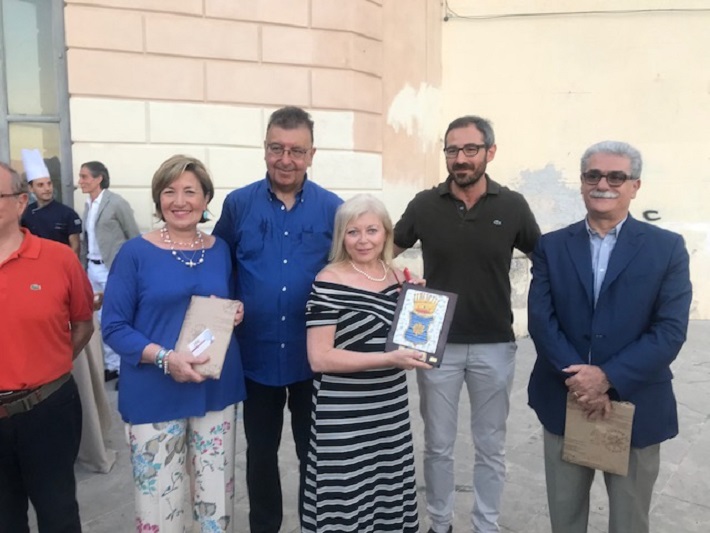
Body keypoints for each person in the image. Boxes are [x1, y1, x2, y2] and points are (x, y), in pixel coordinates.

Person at [527, 141, 692, 533]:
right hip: (564, 400)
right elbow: (541, 320)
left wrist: (607, 378)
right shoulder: (551, 246)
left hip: (636, 404)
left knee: (629, 522)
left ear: (635, 186)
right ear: (582, 182)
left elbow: (670, 330)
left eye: (616, 177)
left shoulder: (667, 248)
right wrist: (581, 381)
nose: (603, 184)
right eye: (593, 175)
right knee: (565, 519)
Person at [393, 115, 541, 533]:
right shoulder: (424, 205)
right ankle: (440, 523)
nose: (460, 158)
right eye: (452, 150)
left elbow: (545, 261)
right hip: (434, 344)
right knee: (438, 446)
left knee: (491, 446)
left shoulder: (512, 206)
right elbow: (382, 253)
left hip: (495, 343)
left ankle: (485, 525)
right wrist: (399, 283)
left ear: (490, 152)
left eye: (470, 149)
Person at [101, 155, 247, 532]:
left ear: (206, 199)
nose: (180, 201)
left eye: (190, 192)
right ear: (158, 199)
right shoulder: (135, 253)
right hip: (154, 391)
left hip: (214, 389)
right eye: (169, 191)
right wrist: (165, 358)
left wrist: (235, 311)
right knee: (159, 505)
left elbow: (226, 301)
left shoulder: (220, 250)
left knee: (215, 506)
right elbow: (113, 326)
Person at [213, 106, 342, 532]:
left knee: (314, 454)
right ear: (265, 149)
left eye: (296, 151)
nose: (285, 159)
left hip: (314, 358)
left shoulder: (333, 209)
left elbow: (354, 268)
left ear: (312, 154)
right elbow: (219, 264)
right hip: (256, 355)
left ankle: (313, 524)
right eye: (276, 149)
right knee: (260, 454)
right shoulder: (238, 204)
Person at [303, 194, 430, 532]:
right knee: (345, 494)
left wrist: (419, 302)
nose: (363, 240)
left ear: (386, 233)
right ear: (341, 237)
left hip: (389, 409)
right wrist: (388, 359)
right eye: (353, 231)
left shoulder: (399, 278)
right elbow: (319, 357)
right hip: (344, 413)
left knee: (386, 491)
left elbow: (412, 339)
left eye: (372, 230)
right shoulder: (329, 281)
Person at [0, 162, 94, 533]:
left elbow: (83, 323)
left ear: (21, 202)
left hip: (47, 409)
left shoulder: (59, 259)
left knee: (58, 515)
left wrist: (50, 363)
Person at [78, 160, 140, 382]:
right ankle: (112, 365)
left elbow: (133, 235)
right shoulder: (88, 204)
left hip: (112, 268)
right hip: (92, 269)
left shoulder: (116, 203)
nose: (80, 181)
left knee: (118, 317)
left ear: (98, 179)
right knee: (99, 319)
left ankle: (125, 369)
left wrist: (132, 269)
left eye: (84, 177)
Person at [20, 148, 82, 256]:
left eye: (49, 183)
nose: (47, 188)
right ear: (31, 188)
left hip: (60, 263)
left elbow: (75, 248)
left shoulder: (67, 214)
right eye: (40, 185)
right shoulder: (25, 213)